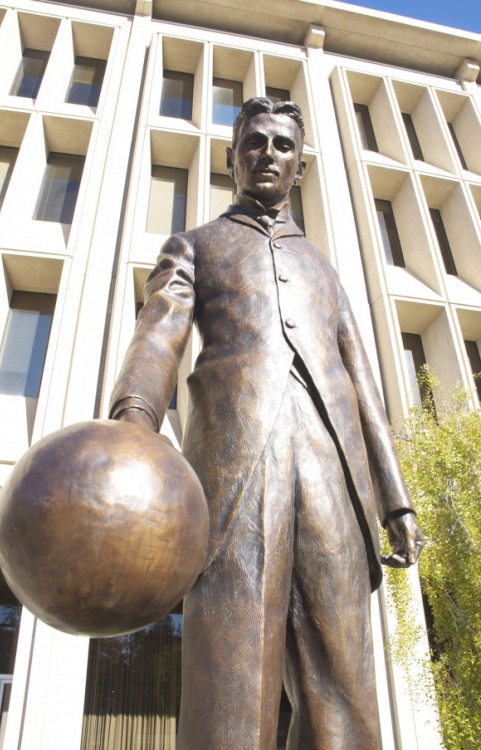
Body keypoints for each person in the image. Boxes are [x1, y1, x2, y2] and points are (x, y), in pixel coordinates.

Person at [109, 98, 424, 750]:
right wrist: (133, 425)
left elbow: (364, 384)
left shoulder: (323, 269)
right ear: (232, 158)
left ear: (299, 166)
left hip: (332, 471)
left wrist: (396, 502)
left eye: (282, 145)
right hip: (234, 471)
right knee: (235, 674)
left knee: (344, 687)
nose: (268, 155)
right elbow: (158, 337)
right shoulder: (195, 246)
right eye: (254, 143)